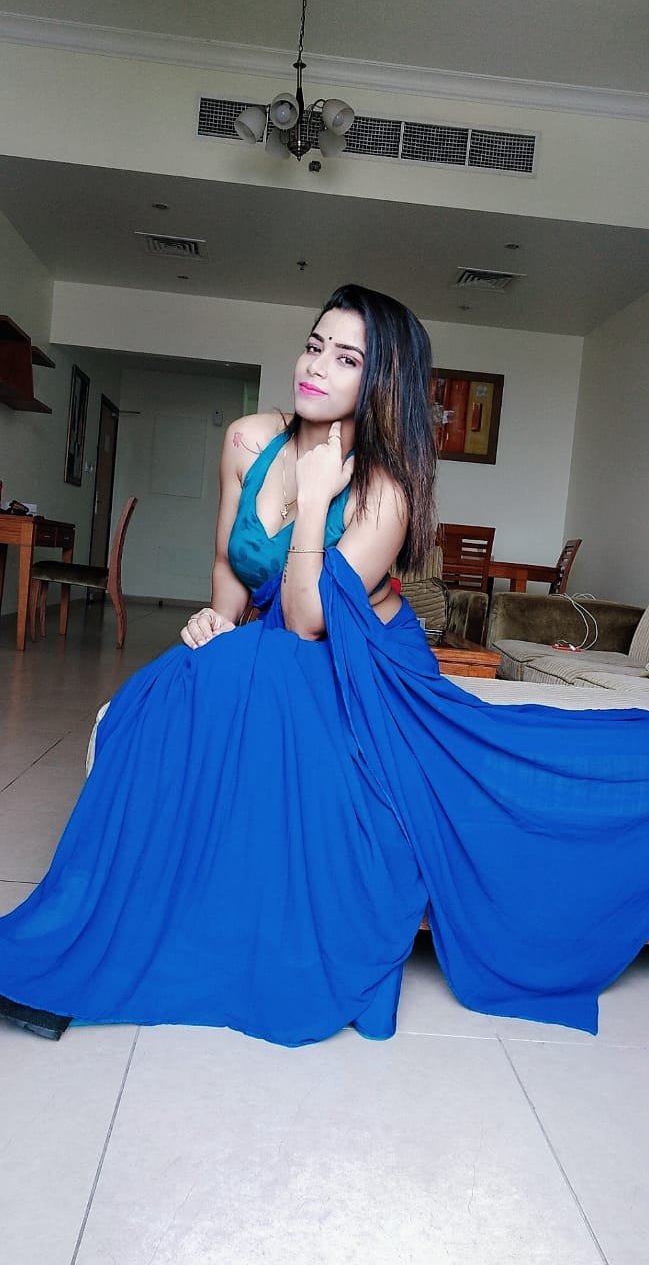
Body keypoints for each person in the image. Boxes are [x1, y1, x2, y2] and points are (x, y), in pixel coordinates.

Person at [0, 284, 648, 1046]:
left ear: (381, 383)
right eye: (314, 346)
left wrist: (313, 501)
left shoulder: (385, 490)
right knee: (169, 687)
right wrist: (217, 618)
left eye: (346, 359)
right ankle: (88, 925)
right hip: (282, 646)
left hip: (366, 667)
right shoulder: (247, 440)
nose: (316, 367)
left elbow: (309, 618)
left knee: (260, 674)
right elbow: (230, 562)